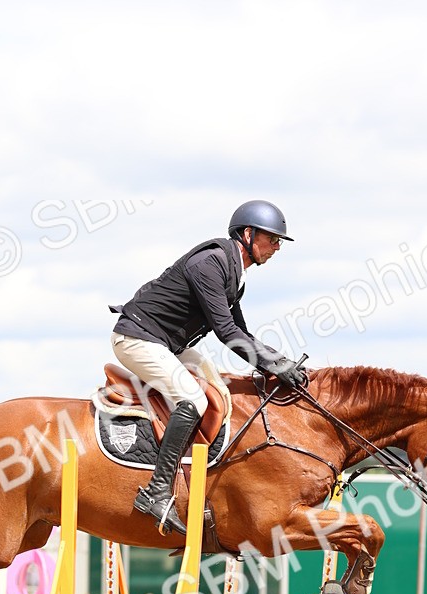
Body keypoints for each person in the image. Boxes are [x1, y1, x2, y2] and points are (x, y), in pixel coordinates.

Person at [108, 200, 307, 537]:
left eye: (278, 242)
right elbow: (226, 333)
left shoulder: (235, 274)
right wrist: (272, 365)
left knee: (220, 390)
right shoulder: (211, 263)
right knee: (194, 400)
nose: (276, 248)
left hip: (166, 344)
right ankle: (156, 492)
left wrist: (279, 362)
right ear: (248, 234)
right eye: (272, 240)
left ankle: (202, 481)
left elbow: (241, 332)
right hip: (136, 338)